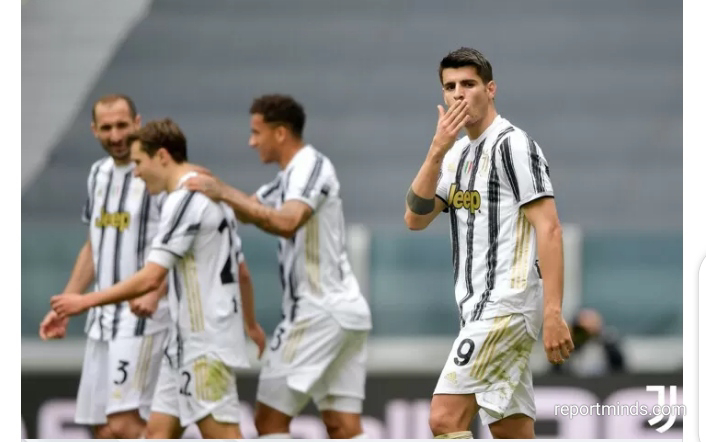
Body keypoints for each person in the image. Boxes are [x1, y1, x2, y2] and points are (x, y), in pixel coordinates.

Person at [50, 118, 266, 439]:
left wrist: (84, 301)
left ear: (162, 156)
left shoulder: (185, 199)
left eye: (139, 162)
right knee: (156, 435)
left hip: (205, 346)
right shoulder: (206, 190)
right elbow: (241, 269)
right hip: (181, 344)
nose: (136, 173)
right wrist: (250, 323)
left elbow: (151, 278)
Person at [403, 47, 574, 439]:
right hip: (475, 310)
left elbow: (549, 228)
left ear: (490, 89)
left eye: (469, 84)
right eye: (450, 87)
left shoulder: (512, 145)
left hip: (507, 307)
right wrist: (436, 150)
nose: (459, 94)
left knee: (444, 418)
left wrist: (553, 311)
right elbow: (415, 217)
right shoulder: (456, 155)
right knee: (511, 431)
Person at [184, 94, 372, 439]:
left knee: (269, 421)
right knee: (343, 427)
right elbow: (250, 209)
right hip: (342, 313)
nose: (252, 142)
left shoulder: (310, 166)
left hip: (318, 312)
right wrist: (197, 182)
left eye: (257, 132)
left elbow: (286, 222)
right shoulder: (287, 178)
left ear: (281, 132)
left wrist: (222, 191)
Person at [38, 94, 171, 439]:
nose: (116, 136)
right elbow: (94, 245)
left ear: (138, 123)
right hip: (101, 320)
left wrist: (156, 291)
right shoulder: (98, 173)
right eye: (107, 128)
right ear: (94, 130)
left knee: (127, 424)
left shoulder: (156, 174)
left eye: (123, 125)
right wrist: (65, 304)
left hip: (142, 320)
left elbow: (179, 243)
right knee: (104, 429)